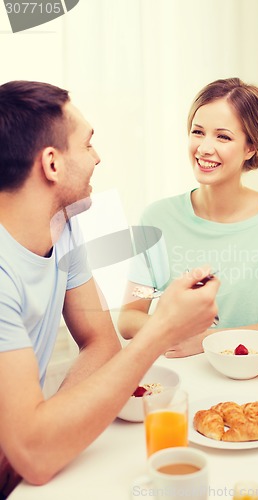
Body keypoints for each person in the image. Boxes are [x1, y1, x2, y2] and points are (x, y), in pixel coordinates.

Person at [0, 80, 219, 497]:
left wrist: (45, 426)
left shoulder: (61, 226)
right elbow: (36, 458)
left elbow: (101, 342)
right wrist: (161, 330)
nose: (98, 158)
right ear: (52, 164)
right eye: (87, 145)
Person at [118, 77, 258, 357]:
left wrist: (209, 341)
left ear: (251, 147)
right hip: (183, 377)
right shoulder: (157, 218)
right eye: (198, 132)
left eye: (223, 136)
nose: (204, 148)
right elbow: (129, 317)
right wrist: (173, 331)